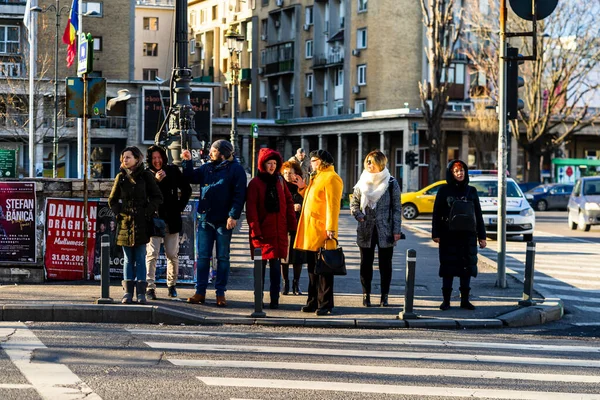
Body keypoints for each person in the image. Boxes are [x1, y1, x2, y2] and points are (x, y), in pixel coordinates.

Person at [181, 139, 247, 307]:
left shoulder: (236, 170)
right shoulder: (207, 167)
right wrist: (187, 161)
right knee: (203, 257)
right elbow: (189, 177)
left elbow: (239, 195)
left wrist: (233, 216)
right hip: (205, 219)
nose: (209, 153)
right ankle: (200, 292)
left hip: (224, 221)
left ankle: (220, 293)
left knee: (223, 257)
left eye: (213, 151)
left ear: (223, 154)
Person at [108, 146, 163, 305]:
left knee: (140, 257)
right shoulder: (121, 177)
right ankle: (127, 293)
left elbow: (157, 197)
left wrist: (146, 212)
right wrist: (120, 214)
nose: (125, 160)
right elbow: (112, 200)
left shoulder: (146, 176)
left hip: (141, 222)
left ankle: (141, 293)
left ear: (137, 159)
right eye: (123, 157)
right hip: (125, 223)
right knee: (127, 258)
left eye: (128, 157)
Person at [432, 160, 487, 311]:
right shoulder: (444, 190)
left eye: (462, 170)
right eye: (456, 171)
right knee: (448, 268)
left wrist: (482, 236)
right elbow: (436, 213)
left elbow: (478, 214)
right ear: (451, 173)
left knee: (466, 268)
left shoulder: (472, 191)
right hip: (448, 235)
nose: (460, 173)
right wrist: (435, 233)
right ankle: (446, 301)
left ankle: (465, 301)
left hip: (468, 236)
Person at [246, 148, 297, 309]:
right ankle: (258, 299)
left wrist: (292, 225)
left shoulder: (280, 181)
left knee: (276, 269)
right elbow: (251, 210)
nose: (272, 166)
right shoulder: (255, 183)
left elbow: (288, 204)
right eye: (269, 163)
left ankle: (274, 299)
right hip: (261, 234)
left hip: (277, 232)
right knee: (259, 271)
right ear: (263, 164)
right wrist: (255, 231)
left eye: (275, 163)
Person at [294, 149, 343, 316]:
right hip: (311, 230)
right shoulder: (317, 177)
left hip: (322, 232)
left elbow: (333, 205)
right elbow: (312, 199)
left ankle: (325, 304)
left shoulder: (331, 178)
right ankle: (313, 301)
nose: (311, 163)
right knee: (313, 270)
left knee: (324, 270)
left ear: (323, 161)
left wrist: (331, 228)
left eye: (314, 160)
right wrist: (302, 189)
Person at [350, 151, 402, 307]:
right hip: (365, 229)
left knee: (385, 265)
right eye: (367, 162)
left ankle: (384, 296)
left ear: (380, 163)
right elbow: (354, 203)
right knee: (366, 263)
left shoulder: (391, 183)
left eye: (372, 162)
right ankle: (366, 295)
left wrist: (396, 230)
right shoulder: (362, 182)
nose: (369, 165)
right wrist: (358, 214)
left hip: (385, 230)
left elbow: (397, 208)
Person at [145, 145, 192, 299]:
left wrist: (179, 207)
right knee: (152, 254)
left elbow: (187, 189)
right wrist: (156, 181)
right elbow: (145, 195)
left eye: (159, 157)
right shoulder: (146, 174)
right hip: (154, 219)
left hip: (172, 219)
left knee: (172, 254)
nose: (157, 161)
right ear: (150, 160)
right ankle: (150, 287)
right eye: (154, 158)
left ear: (164, 157)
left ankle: (172, 285)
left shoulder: (172, 170)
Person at [280, 161, 306, 295]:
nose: (287, 176)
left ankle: (296, 284)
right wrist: (290, 207)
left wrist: (301, 205)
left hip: (299, 224)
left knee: (298, 256)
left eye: (290, 173)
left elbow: (308, 201)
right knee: (284, 256)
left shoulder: (301, 186)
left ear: (296, 173)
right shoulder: (280, 186)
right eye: (285, 173)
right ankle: (285, 284)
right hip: (284, 224)